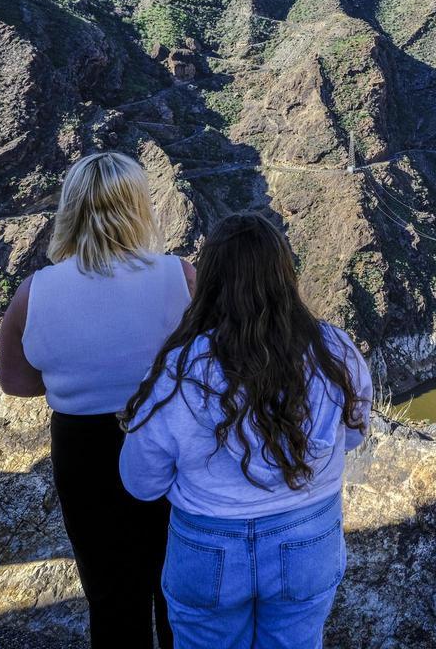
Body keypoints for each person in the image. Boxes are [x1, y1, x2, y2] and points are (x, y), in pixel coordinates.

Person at [118, 212, 372, 649]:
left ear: (211, 281)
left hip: (208, 547)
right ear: (285, 276)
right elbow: (354, 433)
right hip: (307, 538)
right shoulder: (334, 350)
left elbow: (141, 482)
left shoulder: (179, 369)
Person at [0, 151, 194, 649]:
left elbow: (16, 383)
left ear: (71, 209)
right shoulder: (181, 278)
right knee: (179, 590)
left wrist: (74, 376)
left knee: (110, 595)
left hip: (82, 452)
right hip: (172, 441)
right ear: (139, 208)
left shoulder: (34, 292)